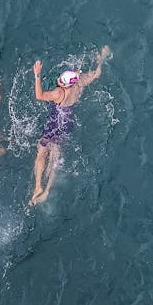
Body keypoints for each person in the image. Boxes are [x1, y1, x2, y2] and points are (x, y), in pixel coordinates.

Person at [30, 46, 111, 205]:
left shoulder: (59, 93)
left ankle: (39, 186)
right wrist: (101, 59)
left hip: (56, 120)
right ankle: (46, 191)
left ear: (65, 85)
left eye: (61, 81)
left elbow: (39, 95)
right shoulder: (80, 82)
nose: (58, 81)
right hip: (67, 121)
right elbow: (96, 74)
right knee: (56, 153)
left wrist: (37, 75)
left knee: (42, 148)